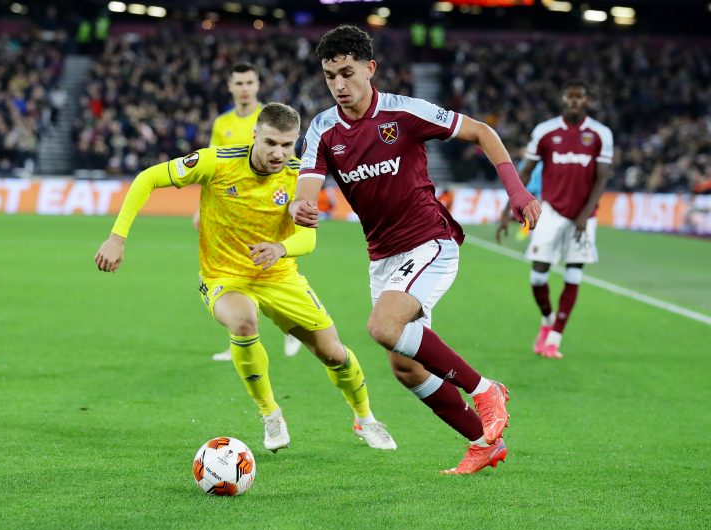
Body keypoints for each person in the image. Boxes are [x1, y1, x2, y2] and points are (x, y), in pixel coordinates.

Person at [290, 25, 540, 474]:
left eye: (347, 73)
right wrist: (300, 207)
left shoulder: (405, 113)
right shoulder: (324, 128)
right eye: (330, 77)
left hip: (430, 241)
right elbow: (307, 185)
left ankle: (485, 390)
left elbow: (482, 132)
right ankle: (483, 443)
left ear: (370, 69)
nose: (339, 85)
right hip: (383, 257)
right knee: (405, 368)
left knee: (383, 327)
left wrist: (516, 192)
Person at [95, 103, 397, 452]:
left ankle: (365, 418)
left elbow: (308, 237)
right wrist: (117, 237)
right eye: (270, 142)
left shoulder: (302, 178)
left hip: (280, 276)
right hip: (225, 276)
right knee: (242, 321)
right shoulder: (217, 162)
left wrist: (280, 249)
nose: (278, 153)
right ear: (254, 134)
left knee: (334, 354)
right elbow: (147, 178)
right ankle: (270, 413)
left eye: (287, 145)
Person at [496, 80, 613, 359]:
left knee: (573, 274)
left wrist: (586, 214)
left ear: (586, 100)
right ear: (563, 99)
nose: (574, 101)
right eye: (570, 96)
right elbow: (524, 171)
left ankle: (555, 338)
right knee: (537, 276)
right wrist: (507, 208)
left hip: (584, 216)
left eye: (580, 97)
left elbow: (602, 177)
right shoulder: (546, 131)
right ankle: (548, 320)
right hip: (551, 211)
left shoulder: (600, 134)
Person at [196, 62, 302, 361]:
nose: (244, 88)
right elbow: (210, 169)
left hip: (270, 206)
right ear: (230, 87)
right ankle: (241, 338)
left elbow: (288, 161)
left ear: (257, 85)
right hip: (232, 211)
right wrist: (198, 210)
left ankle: (290, 326)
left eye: (249, 82)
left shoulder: (272, 119)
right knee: (235, 272)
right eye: (238, 83)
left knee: (273, 267)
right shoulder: (221, 123)